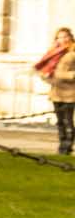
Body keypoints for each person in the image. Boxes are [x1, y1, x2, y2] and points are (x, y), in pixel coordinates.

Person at [39, 23, 75, 153]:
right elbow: (46, 71)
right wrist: (46, 76)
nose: (63, 39)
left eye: (65, 36)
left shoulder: (73, 53)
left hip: (70, 93)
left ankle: (68, 145)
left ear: (70, 37)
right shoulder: (53, 53)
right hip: (56, 92)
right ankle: (61, 144)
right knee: (60, 122)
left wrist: (64, 75)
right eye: (60, 37)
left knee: (68, 121)